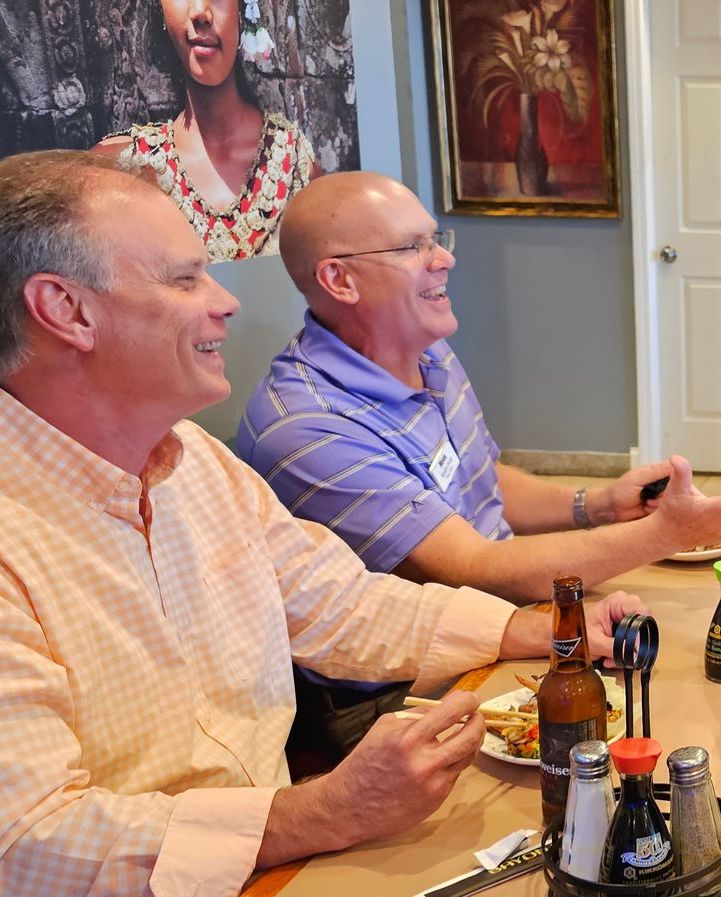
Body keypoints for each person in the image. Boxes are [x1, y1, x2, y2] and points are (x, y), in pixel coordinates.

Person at [0, 149, 644, 895]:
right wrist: (321, 812)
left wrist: (544, 631)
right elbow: (29, 841)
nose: (227, 301)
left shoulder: (195, 462)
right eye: (185, 279)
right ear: (65, 310)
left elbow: (338, 602)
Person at [235, 171, 721, 761]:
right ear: (338, 279)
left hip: (501, 620)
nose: (443, 258)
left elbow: (480, 477)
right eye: (412, 247)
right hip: (398, 698)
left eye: (435, 237)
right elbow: (472, 568)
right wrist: (663, 534)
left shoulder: (425, 350)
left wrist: (595, 506)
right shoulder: (306, 427)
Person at [92, 0, 318, 261]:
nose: (200, 12)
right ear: (162, 12)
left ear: (245, 8)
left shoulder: (294, 164)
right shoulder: (123, 168)